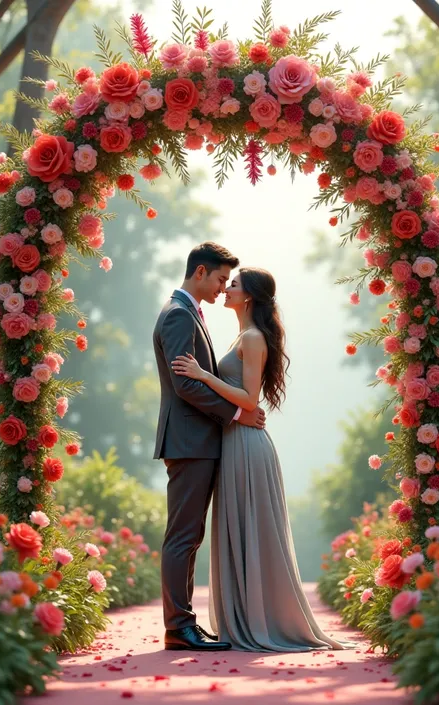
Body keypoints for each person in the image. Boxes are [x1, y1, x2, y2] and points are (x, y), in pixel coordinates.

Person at [172, 267, 348, 652]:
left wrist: (202, 375)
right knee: (240, 527)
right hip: (236, 440)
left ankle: (262, 621)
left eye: (232, 285)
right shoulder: (242, 336)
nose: (226, 289)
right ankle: (246, 618)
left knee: (252, 527)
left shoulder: (252, 339)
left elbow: (250, 400)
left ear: (248, 296)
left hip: (248, 444)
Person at [153, 243, 266, 652]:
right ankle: (178, 627)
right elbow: (185, 384)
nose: (222, 289)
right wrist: (236, 415)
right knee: (183, 535)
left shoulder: (187, 312)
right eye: (220, 279)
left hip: (196, 440)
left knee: (190, 535)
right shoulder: (180, 315)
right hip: (189, 440)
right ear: (200, 272)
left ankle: (184, 623)